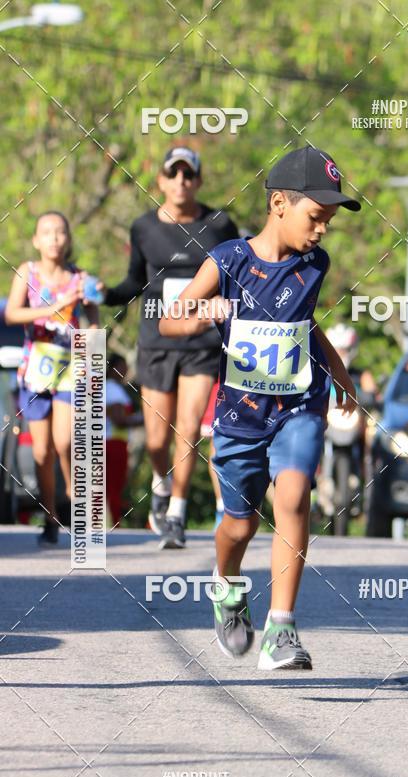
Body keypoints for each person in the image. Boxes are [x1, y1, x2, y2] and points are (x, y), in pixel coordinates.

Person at [160, 145, 361, 669]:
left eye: (329, 221)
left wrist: (339, 373)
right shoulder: (228, 260)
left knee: (293, 497)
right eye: (316, 217)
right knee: (239, 525)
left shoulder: (314, 264)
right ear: (278, 204)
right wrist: (206, 311)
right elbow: (169, 321)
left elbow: (304, 324)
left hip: (299, 406)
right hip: (240, 417)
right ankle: (226, 587)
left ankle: (281, 630)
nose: (321, 230)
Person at [104, 147, 239, 549]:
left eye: (188, 174)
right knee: (157, 439)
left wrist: (228, 306)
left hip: (202, 341)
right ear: (160, 181)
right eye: (172, 173)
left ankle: (177, 510)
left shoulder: (220, 224)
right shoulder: (143, 227)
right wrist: (106, 293)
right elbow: (133, 282)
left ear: (198, 181)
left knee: (190, 428)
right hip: (157, 340)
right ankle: (162, 483)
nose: (181, 181)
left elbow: (236, 272)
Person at [5, 211, 100, 545]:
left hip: (70, 368)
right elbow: (12, 313)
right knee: (42, 451)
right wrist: (51, 309)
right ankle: (49, 515)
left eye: (60, 232)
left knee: (66, 441)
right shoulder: (26, 273)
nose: (54, 238)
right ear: (36, 240)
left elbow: (94, 321)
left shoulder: (80, 277)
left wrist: (92, 312)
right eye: (46, 232)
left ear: (68, 238)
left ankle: (75, 503)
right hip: (35, 369)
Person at [105, 353, 144, 527]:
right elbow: (119, 420)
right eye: (123, 366)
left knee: (108, 486)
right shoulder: (113, 389)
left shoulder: (107, 387)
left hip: (109, 442)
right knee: (114, 486)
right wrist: (145, 419)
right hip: (113, 443)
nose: (126, 370)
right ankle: (114, 523)